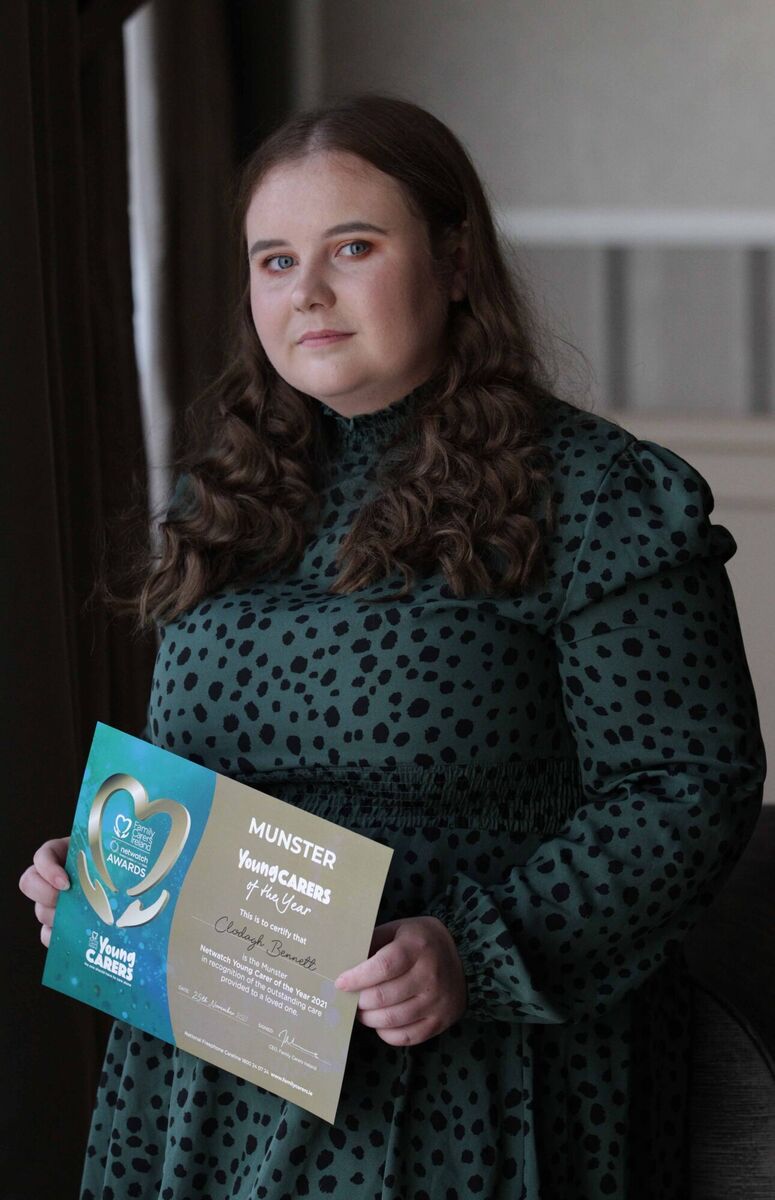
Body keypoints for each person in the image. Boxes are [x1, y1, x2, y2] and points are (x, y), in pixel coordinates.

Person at [19, 93, 766, 1200]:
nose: (306, 292)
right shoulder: (221, 505)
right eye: (274, 261)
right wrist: (104, 876)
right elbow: (197, 788)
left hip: (470, 1069)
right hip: (209, 1073)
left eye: (352, 248)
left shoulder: (597, 496)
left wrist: (479, 949)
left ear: (455, 262)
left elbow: (690, 784)